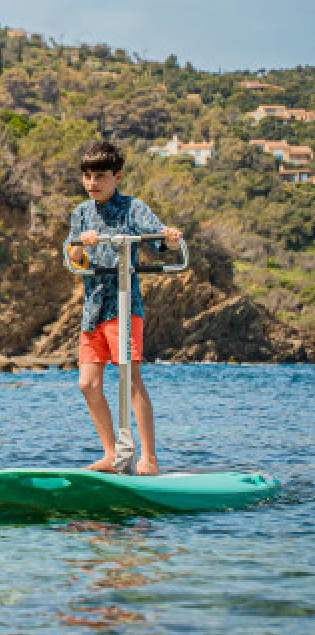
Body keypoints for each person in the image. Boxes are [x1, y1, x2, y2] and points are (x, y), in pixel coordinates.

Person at [65, 141, 182, 476]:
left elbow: (159, 239)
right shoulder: (82, 213)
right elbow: (72, 256)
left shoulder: (133, 209)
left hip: (124, 305)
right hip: (93, 308)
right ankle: (113, 454)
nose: (92, 183)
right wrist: (81, 245)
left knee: (130, 380)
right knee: (87, 383)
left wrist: (170, 238)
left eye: (99, 176)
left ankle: (149, 458)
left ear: (116, 177)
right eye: (87, 177)